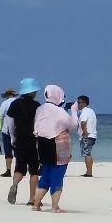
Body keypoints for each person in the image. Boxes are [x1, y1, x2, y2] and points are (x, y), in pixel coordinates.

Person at [31, 85, 79, 213]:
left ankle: (36, 204)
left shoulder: (40, 109)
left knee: (46, 174)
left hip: (42, 144)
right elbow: (73, 125)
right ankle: (55, 207)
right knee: (57, 175)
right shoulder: (59, 111)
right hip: (57, 145)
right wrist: (74, 111)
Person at [5, 78, 42, 205]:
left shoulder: (15, 104)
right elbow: (39, 124)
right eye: (35, 91)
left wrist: (12, 137)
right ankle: (32, 199)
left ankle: (14, 185)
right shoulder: (37, 106)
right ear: (32, 92)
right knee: (34, 170)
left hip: (19, 139)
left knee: (19, 168)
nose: (36, 93)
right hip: (33, 140)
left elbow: (10, 122)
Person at [0, 87, 17, 178]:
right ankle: (20, 169)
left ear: (7, 95)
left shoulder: (4, 103)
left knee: (8, 151)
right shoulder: (19, 102)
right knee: (19, 150)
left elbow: (0, 116)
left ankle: (8, 170)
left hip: (7, 130)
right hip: (18, 130)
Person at [76, 95, 98, 177]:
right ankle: (89, 172)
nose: (78, 104)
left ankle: (89, 173)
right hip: (92, 135)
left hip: (87, 136)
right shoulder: (91, 111)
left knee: (87, 154)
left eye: (79, 102)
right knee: (87, 153)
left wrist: (85, 133)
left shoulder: (85, 111)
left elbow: (83, 123)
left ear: (84, 103)